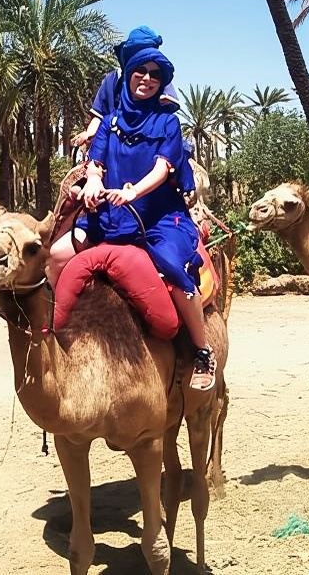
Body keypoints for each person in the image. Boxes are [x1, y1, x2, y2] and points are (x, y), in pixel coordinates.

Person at [76, 46, 216, 391]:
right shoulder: (110, 122)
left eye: (156, 75)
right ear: (130, 73)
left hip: (159, 216)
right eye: (141, 71)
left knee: (172, 266)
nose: (148, 79)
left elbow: (162, 168)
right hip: (114, 213)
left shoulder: (168, 122)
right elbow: (96, 162)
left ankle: (201, 351)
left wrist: (132, 193)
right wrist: (94, 181)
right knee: (65, 250)